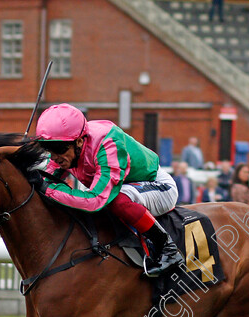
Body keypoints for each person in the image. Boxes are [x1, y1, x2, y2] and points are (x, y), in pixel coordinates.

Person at [34, 103, 183, 277]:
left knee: (117, 200)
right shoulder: (67, 149)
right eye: (48, 149)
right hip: (128, 187)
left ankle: (167, 247)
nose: (55, 157)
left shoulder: (108, 143)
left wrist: (49, 190)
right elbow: (44, 182)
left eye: (59, 149)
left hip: (159, 186)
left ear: (80, 141)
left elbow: (96, 200)